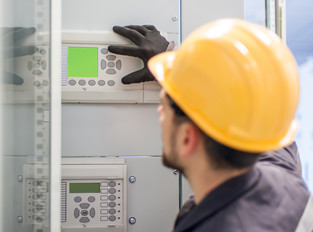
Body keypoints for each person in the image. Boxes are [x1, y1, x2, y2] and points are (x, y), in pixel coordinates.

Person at [108, 19, 313, 231]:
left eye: (164, 106)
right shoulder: (284, 180)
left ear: (187, 138)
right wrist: (180, 70)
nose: (160, 111)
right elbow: (251, 106)